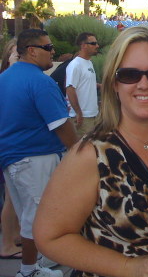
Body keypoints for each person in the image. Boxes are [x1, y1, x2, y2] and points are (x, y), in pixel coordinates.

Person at [34, 26, 148, 277]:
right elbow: (50, 237)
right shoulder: (91, 155)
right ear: (114, 83)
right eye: (129, 75)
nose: (144, 84)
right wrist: (130, 267)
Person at [0, 29, 78, 277]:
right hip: (36, 158)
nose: (52, 52)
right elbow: (62, 126)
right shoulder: (40, 81)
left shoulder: (5, 78)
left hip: (12, 159)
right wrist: (80, 154)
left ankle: (33, 267)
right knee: (36, 219)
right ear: (31, 51)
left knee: (28, 217)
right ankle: (29, 270)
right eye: (48, 47)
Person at [0, 38, 21, 260]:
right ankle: (6, 243)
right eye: (16, 54)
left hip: (11, 145)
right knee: (10, 197)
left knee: (13, 197)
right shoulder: (5, 81)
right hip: (9, 146)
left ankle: (14, 235)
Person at [65, 32, 100, 138]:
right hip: (82, 117)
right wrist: (78, 113)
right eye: (93, 43)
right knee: (82, 150)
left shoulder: (89, 63)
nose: (97, 46)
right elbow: (70, 89)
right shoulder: (75, 65)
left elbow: (85, 84)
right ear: (83, 45)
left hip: (92, 115)